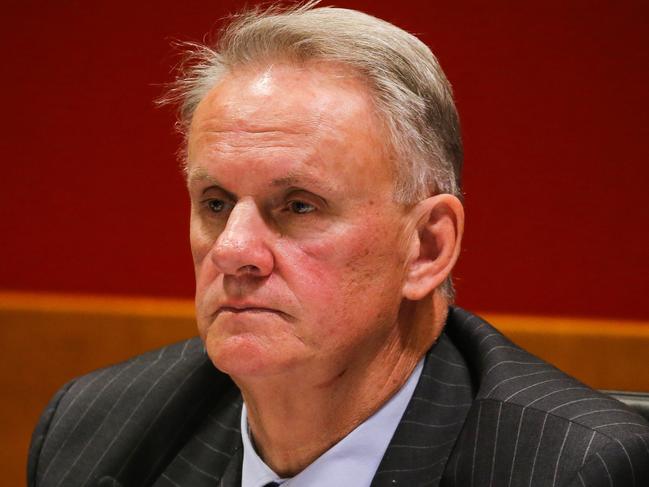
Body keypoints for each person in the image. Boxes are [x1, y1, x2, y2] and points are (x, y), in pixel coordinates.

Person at [28, 4, 649, 487]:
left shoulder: (574, 468)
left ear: (428, 248)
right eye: (215, 203)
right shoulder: (95, 430)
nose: (233, 249)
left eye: (298, 206)